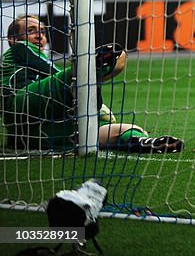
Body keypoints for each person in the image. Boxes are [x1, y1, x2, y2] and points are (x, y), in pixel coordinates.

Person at [2, 15, 182, 153]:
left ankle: (143, 142)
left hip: (33, 132)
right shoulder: (19, 49)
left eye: (42, 31)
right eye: (32, 30)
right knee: (79, 74)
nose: (40, 36)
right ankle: (94, 67)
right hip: (19, 102)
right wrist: (89, 88)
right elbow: (55, 75)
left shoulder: (38, 64)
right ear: (12, 39)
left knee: (122, 129)